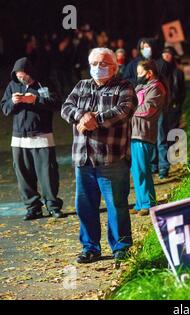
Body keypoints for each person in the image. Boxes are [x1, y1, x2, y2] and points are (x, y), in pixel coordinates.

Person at [61, 48, 137, 264]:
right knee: (84, 206)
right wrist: (81, 116)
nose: (97, 67)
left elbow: (124, 110)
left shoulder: (124, 87)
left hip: (111, 159)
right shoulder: (81, 85)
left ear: (114, 67)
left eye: (103, 63)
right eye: (94, 63)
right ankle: (90, 247)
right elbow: (66, 107)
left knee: (116, 205)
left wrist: (96, 119)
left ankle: (121, 247)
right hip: (83, 159)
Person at [0, 57, 64, 220]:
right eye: (18, 76)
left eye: (23, 75)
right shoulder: (13, 85)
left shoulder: (44, 83)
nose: (21, 78)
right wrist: (13, 102)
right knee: (23, 175)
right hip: (19, 138)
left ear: (30, 72)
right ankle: (33, 207)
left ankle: (53, 206)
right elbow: (5, 108)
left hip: (42, 136)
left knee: (48, 174)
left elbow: (56, 103)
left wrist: (35, 100)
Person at [123, 37, 172, 179]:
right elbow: (126, 80)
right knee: (147, 139)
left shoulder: (161, 64)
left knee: (161, 136)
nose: (146, 49)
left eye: (148, 46)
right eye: (143, 46)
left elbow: (168, 82)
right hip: (141, 110)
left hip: (156, 106)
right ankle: (153, 164)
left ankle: (163, 166)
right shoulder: (133, 64)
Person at [130, 60, 167, 216]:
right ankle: (140, 203)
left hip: (143, 133)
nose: (138, 76)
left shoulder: (157, 87)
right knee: (136, 171)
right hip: (133, 132)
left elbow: (148, 109)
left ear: (149, 73)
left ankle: (148, 203)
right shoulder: (142, 86)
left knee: (142, 170)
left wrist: (129, 109)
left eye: (140, 73)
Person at [162, 46, 186, 132]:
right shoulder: (158, 71)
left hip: (174, 105)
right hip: (161, 106)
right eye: (164, 53)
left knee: (172, 130)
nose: (166, 56)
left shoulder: (178, 72)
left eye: (169, 54)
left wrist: (178, 102)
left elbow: (182, 89)